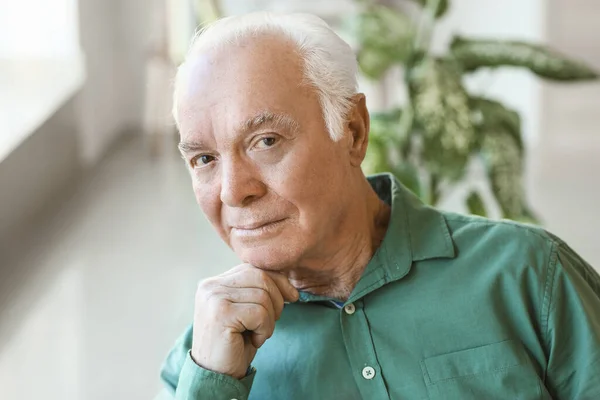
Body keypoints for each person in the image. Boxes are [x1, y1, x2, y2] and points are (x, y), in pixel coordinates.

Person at [159, 11, 600, 400]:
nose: (234, 191)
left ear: (353, 131)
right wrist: (211, 384)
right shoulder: (203, 359)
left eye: (266, 141)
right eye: (204, 159)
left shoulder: (531, 276)